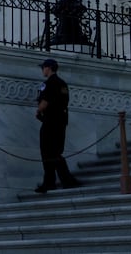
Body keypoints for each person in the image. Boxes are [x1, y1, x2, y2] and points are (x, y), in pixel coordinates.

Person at [34, 57, 81, 192]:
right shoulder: (62, 84)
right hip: (61, 122)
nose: (42, 70)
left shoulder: (48, 83)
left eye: (43, 67)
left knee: (47, 152)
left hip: (50, 121)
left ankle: (54, 181)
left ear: (48, 68)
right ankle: (60, 180)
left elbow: (45, 101)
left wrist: (38, 111)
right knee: (55, 151)